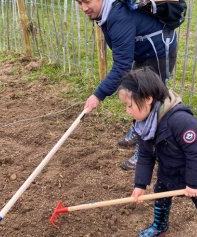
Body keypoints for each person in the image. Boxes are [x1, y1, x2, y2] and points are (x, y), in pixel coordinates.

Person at [117, 67, 197, 237]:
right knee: (160, 195)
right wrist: (140, 184)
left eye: (129, 105)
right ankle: (160, 225)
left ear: (148, 98)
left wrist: (194, 183)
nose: (127, 110)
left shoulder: (179, 120)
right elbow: (146, 155)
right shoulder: (143, 124)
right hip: (171, 169)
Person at [76, 0, 178, 170]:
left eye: (87, 1)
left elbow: (122, 66)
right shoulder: (106, 12)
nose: (84, 8)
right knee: (132, 90)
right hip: (142, 51)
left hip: (158, 51)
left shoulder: (118, 16)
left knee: (148, 101)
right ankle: (138, 130)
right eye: (79, 3)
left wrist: (98, 95)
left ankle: (145, 149)